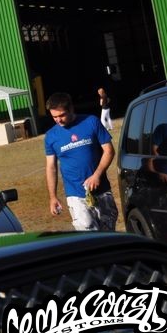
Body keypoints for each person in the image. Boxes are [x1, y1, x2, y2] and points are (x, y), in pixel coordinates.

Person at [45, 92, 118, 231]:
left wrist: (97, 175)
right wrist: (53, 197)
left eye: (62, 115)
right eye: (54, 117)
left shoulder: (91, 121)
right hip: (75, 194)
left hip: (102, 190)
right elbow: (51, 168)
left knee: (109, 234)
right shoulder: (51, 136)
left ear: (71, 109)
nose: (58, 120)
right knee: (87, 233)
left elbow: (109, 151)